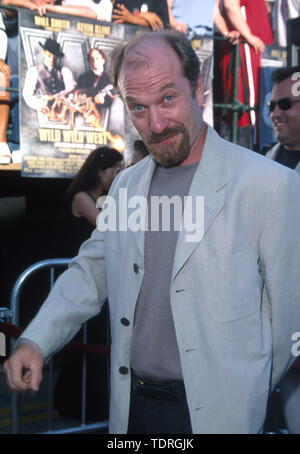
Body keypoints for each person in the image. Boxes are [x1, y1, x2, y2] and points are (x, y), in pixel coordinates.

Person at [4, 30, 300, 434]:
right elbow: (90, 271)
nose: (156, 124)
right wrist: (35, 340)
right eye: (138, 107)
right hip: (132, 409)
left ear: (198, 88)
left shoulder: (269, 185)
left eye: (167, 98)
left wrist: (245, 387)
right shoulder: (126, 186)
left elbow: (288, 319)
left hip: (221, 416)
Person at [264, 66, 300, 434]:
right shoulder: (261, 163)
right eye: (272, 104)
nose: (275, 112)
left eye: (286, 104)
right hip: (271, 335)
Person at [214, 0, 273, 146]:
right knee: (246, 107)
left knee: (261, 102)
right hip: (247, 48)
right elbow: (230, 5)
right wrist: (250, 37)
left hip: (259, 49)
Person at [67, 146, 123, 228]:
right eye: (115, 172)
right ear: (99, 171)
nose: (118, 176)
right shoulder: (81, 198)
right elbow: (107, 227)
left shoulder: (107, 197)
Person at [22, 37, 75, 112]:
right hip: (44, 114)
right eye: (49, 55)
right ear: (44, 53)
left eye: (54, 56)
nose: (52, 59)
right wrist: (40, 105)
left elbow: (71, 89)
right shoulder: (33, 71)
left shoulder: (65, 71)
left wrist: (54, 97)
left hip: (63, 112)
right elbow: (27, 94)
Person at [76, 47, 115, 126]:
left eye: (97, 58)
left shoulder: (110, 80)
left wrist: (103, 101)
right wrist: (94, 98)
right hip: (82, 119)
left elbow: (111, 101)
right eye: (92, 59)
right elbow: (79, 94)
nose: (94, 61)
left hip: (102, 120)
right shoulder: (83, 78)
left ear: (103, 60)